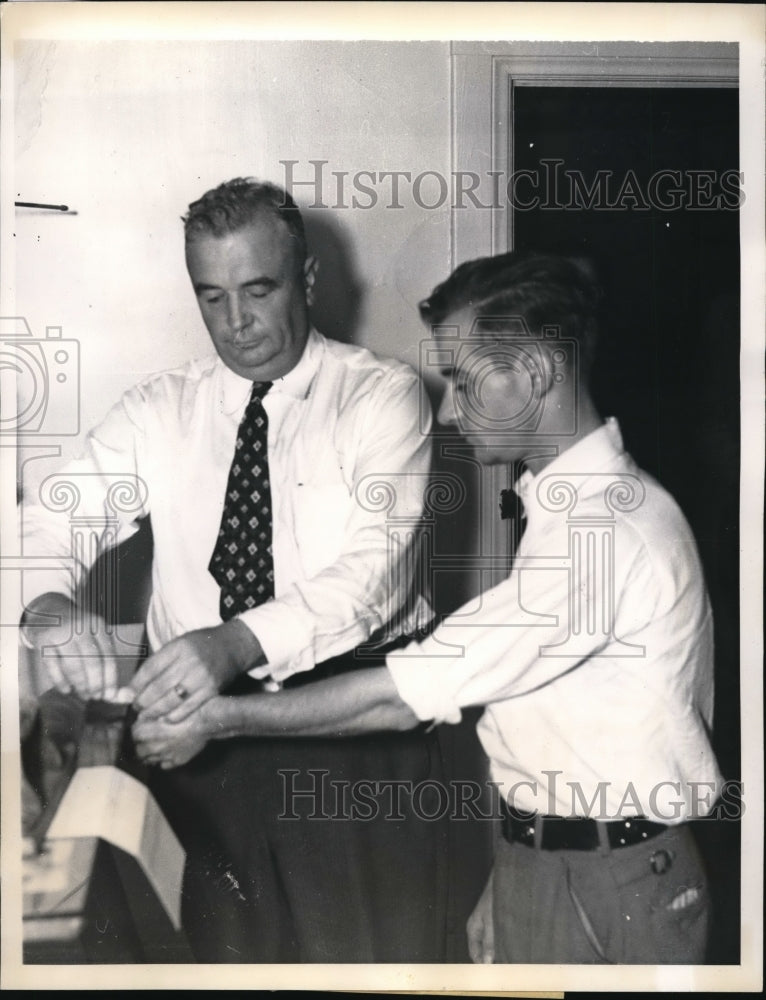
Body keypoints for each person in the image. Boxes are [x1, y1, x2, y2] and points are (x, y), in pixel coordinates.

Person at [132, 250, 724, 965]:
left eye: (463, 382)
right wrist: (510, 876)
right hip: (552, 859)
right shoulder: (569, 513)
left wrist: (220, 718)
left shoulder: (606, 534)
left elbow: (406, 697)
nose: (449, 410)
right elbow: (552, 724)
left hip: (612, 885)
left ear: (533, 373)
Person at [19, 178, 448, 963]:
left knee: (362, 962)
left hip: (347, 743)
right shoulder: (159, 408)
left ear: (309, 279)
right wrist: (49, 607)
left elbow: (370, 579)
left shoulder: (382, 398)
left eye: (258, 289)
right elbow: (46, 521)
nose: (237, 323)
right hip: (193, 748)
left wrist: (232, 644)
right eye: (211, 298)